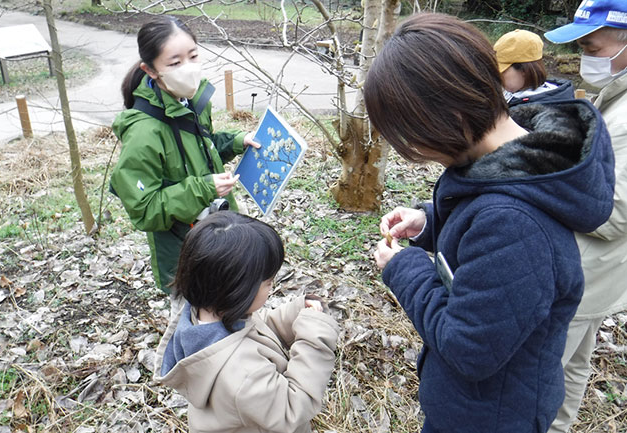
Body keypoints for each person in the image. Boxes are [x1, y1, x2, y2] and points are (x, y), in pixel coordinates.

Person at [364, 13, 615, 433]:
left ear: (447, 117)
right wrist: (428, 222)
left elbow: (469, 348)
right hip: (482, 403)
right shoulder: (511, 165)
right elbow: (484, 244)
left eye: (410, 135)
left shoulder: (513, 223)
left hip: (489, 417)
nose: (413, 149)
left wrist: (402, 269)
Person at [110, 16, 259, 295]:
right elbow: (145, 211)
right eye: (175, 63)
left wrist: (237, 141)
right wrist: (203, 189)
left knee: (231, 298)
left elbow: (200, 147)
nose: (188, 69)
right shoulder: (143, 132)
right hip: (184, 250)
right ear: (150, 70)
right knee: (195, 319)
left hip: (220, 232)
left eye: (193, 56)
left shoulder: (193, 101)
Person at [153, 211, 339, 433]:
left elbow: (257, 334)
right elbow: (292, 408)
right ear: (239, 291)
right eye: (268, 282)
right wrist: (314, 336)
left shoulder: (205, 314)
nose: (272, 287)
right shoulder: (244, 374)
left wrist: (296, 312)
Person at [543, 1, 627, 431]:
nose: (584, 58)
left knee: (542, 375)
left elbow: (615, 213)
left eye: (591, 46)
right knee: (573, 365)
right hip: (594, 274)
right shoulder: (614, 96)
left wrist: (538, 182)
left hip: (585, 272)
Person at [494, 29, 575, 106]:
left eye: (502, 71)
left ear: (524, 70)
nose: (498, 77)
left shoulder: (549, 107)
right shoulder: (514, 95)